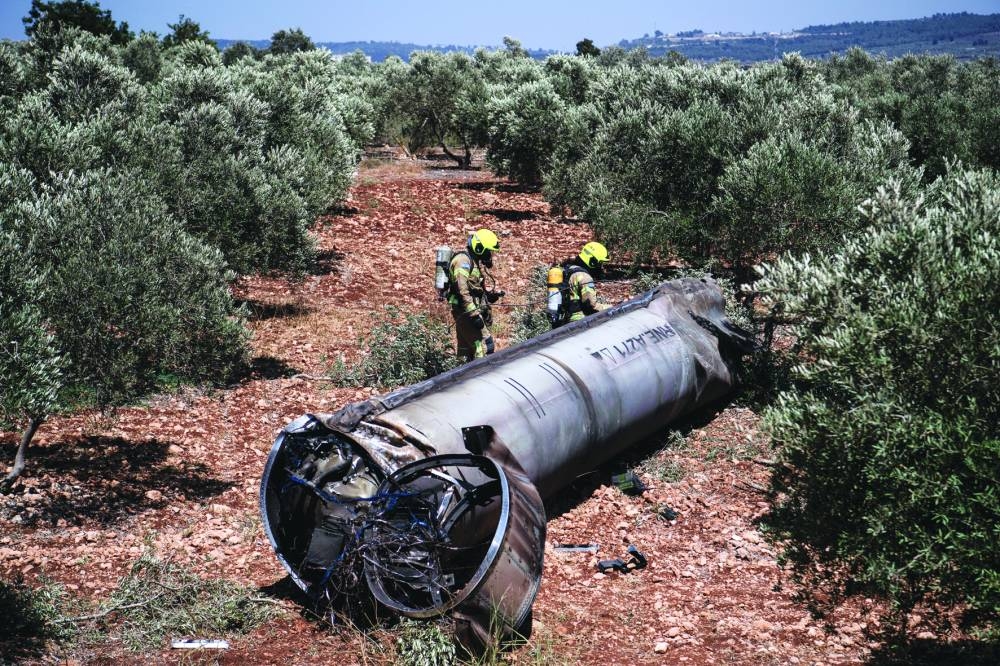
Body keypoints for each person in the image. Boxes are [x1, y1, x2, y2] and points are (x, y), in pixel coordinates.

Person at [447, 228, 504, 361]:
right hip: (466, 313)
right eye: (488, 251)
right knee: (485, 347)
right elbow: (462, 291)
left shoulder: (474, 262)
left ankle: (464, 372)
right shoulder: (463, 261)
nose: (489, 255)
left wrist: (489, 296)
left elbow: (474, 289)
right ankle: (483, 373)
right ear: (479, 248)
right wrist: (474, 315)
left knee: (466, 352)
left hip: (470, 312)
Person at [549, 241, 610, 328]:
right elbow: (591, 306)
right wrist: (613, 307)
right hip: (580, 323)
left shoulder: (568, 269)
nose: (602, 268)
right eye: (600, 264)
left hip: (565, 322)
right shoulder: (584, 277)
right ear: (592, 262)